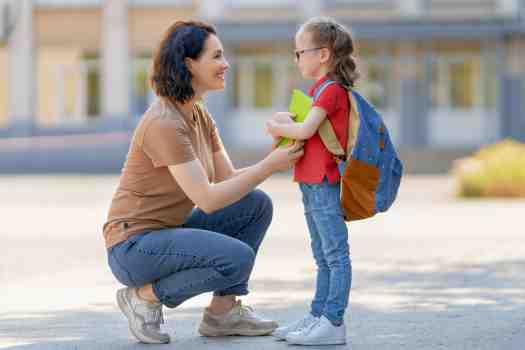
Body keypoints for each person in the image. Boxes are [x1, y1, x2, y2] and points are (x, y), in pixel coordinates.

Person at [103, 20, 304, 344]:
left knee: (255, 205)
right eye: (217, 56)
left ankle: (223, 312)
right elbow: (208, 199)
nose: (226, 64)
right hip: (133, 249)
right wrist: (268, 167)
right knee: (237, 258)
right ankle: (143, 297)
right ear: (189, 64)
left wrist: (276, 154)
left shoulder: (198, 115)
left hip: (167, 234)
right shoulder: (165, 122)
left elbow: (228, 180)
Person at [265, 16, 359, 346]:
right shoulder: (317, 90)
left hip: (324, 181)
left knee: (335, 255)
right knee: (322, 255)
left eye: (299, 51)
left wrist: (277, 128)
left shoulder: (331, 90)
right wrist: (284, 120)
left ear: (323, 54)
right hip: (309, 180)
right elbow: (307, 130)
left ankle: (333, 322)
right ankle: (318, 315)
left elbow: (305, 131)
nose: (297, 58)